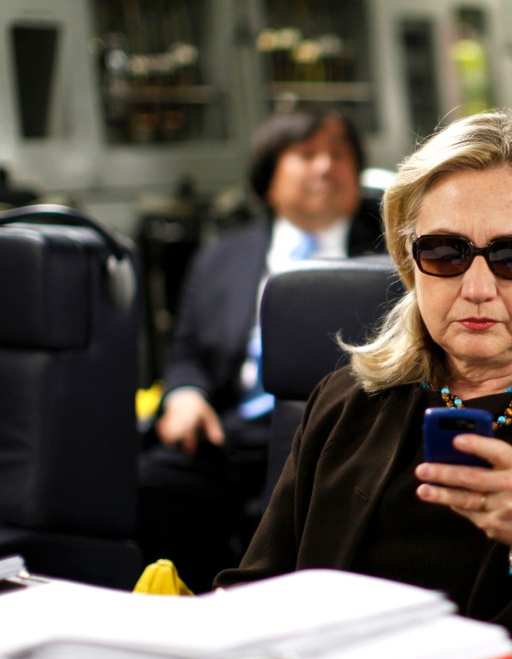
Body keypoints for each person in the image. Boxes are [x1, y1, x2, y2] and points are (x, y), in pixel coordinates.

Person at [215, 111, 512, 659]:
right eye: (446, 252)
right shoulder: (344, 401)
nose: (478, 288)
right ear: (408, 260)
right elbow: (255, 593)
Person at [136, 109, 386, 592]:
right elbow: (187, 349)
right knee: (150, 484)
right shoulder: (223, 257)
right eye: (306, 154)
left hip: (339, 436)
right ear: (268, 177)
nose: (325, 167)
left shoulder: (390, 256)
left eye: (339, 154)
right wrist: (185, 393)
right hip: (230, 432)